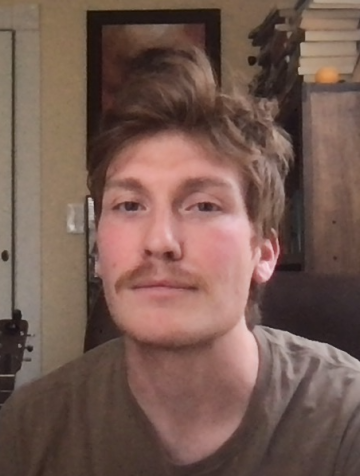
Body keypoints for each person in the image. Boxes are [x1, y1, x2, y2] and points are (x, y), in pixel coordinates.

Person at [0, 46, 360, 476]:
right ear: (99, 251)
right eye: (130, 206)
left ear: (264, 253)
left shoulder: (346, 425)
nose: (159, 242)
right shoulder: (26, 432)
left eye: (203, 206)